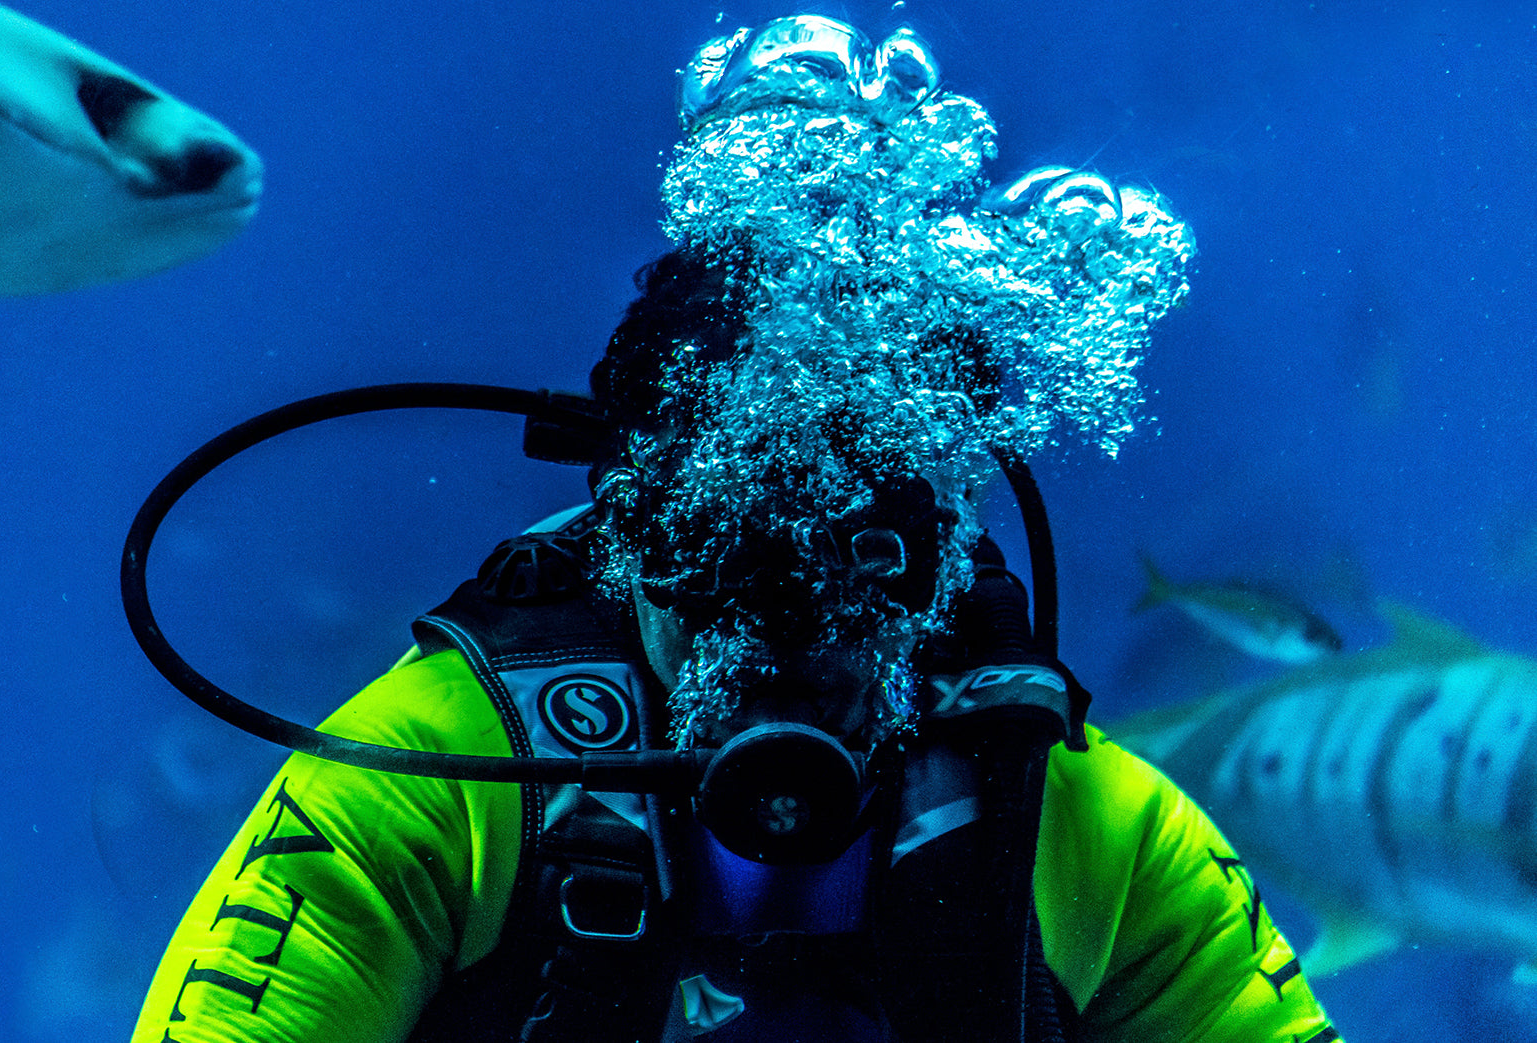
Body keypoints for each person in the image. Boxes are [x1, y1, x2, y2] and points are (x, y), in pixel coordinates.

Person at [131, 16, 1340, 1043]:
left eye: (860, 568)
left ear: (934, 574)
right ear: (626, 531)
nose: (791, 636)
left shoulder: (1082, 831)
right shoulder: (435, 784)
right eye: (729, 554)